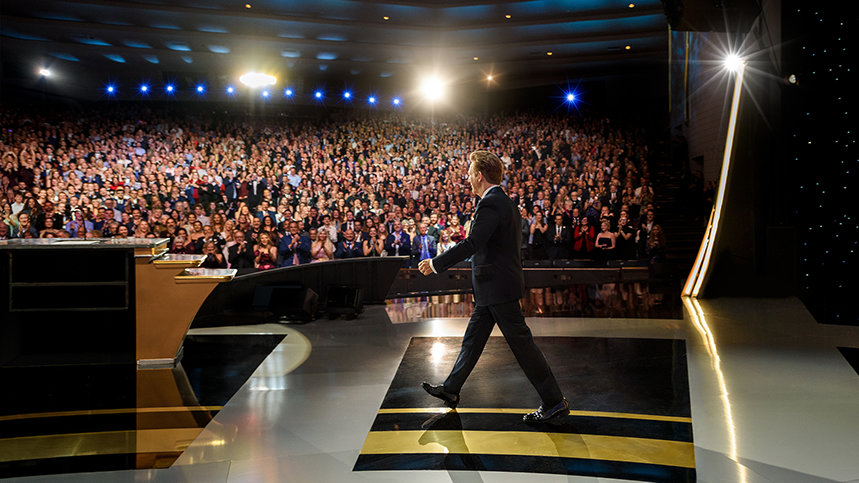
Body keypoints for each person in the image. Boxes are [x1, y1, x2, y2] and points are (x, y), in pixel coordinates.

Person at [418, 150, 568, 423]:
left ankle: (554, 401)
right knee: (472, 341)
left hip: (497, 288)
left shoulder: (491, 203)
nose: (467, 178)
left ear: (479, 176)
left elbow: (473, 243)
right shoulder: (504, 202)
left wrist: (437, 263)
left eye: (469, 173)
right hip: (493, 288)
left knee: (523, 346)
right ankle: (451, 389)